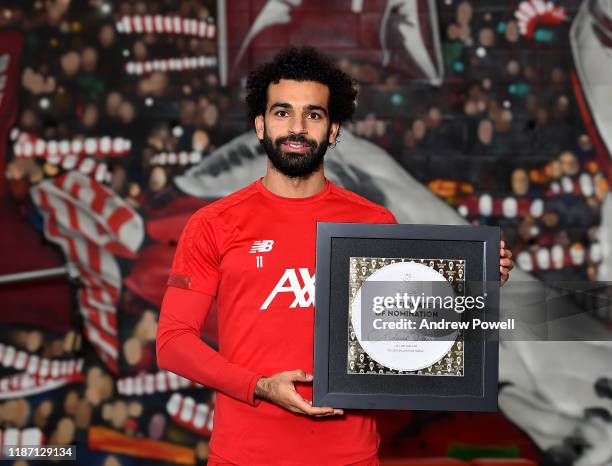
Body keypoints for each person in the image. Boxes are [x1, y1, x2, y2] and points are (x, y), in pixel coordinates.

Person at [156, 46, 514, 465]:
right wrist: (258, 385)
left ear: (332, 130)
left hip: (349, 455)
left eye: (313, 114)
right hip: (243, 455)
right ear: (259, 125)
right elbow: (173, 342)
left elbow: (410, 335)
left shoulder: (374, 222)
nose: (296, 127)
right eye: (282, 112)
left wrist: (472, 286)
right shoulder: (213, 223)